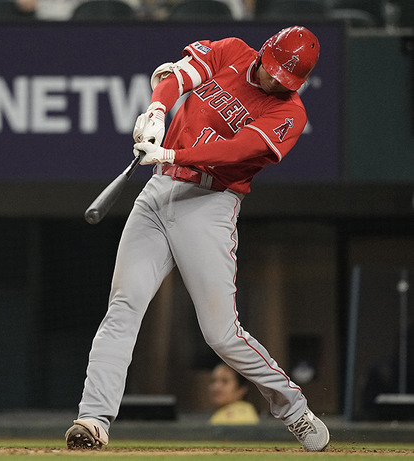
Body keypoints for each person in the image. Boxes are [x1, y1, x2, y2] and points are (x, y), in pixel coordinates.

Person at [65, 26, 329, 452]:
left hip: (209, 203)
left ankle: (293, 408)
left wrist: (172, 153)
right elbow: (179, 76)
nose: (276, 81)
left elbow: (235, 151)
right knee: (123, 307)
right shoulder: (233, 53)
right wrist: (155, 112)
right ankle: (93, 419)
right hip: (159, 190)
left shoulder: (290, 114)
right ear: (265, 53)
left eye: (286, 79)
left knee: (222, 334)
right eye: (274, 71)